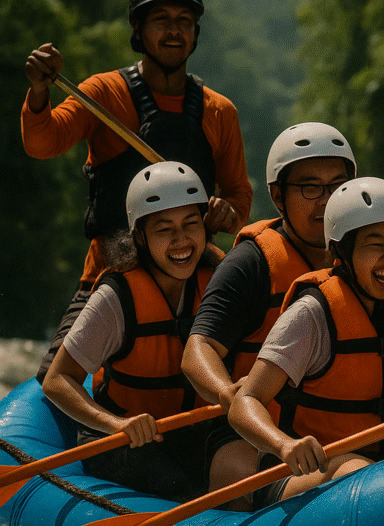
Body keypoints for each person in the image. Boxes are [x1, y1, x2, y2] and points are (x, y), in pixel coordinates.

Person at [23, 0, 252, 381]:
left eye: (184, 21)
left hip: (194, 275)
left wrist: (227, 212)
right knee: (51, 383)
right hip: (108, 274)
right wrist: (39, 93)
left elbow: (239, 196)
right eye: (161, 20)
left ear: (195, 34)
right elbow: (43, 142)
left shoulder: (219, 111)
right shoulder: (104, 93)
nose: (174, 31)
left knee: (252, 346)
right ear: (138, 29)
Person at [226, 177, 384, 507]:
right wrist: (283, 445)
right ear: (342, 253)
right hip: (304, 474)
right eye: (375, 245)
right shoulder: (311, 315)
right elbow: (244, 402)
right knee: (356, 470)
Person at [41, 162, 252, 505]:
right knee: (174, 487)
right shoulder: (116, 298)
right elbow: (57, 380)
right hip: (125, 439)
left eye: (191, 224)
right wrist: (115, 424)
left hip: (193, 429)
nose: (181, 240)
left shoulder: (219, 282)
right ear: (139, 237)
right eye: (164, 229)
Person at [183, 122, 356, 416]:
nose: (327, 200)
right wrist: (227, 393)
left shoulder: (371, 254)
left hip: (339, 426)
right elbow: (198, 348)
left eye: (338, 186)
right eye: (311, 188)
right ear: (278, 196)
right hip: (257, 428)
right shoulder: (250, 263)